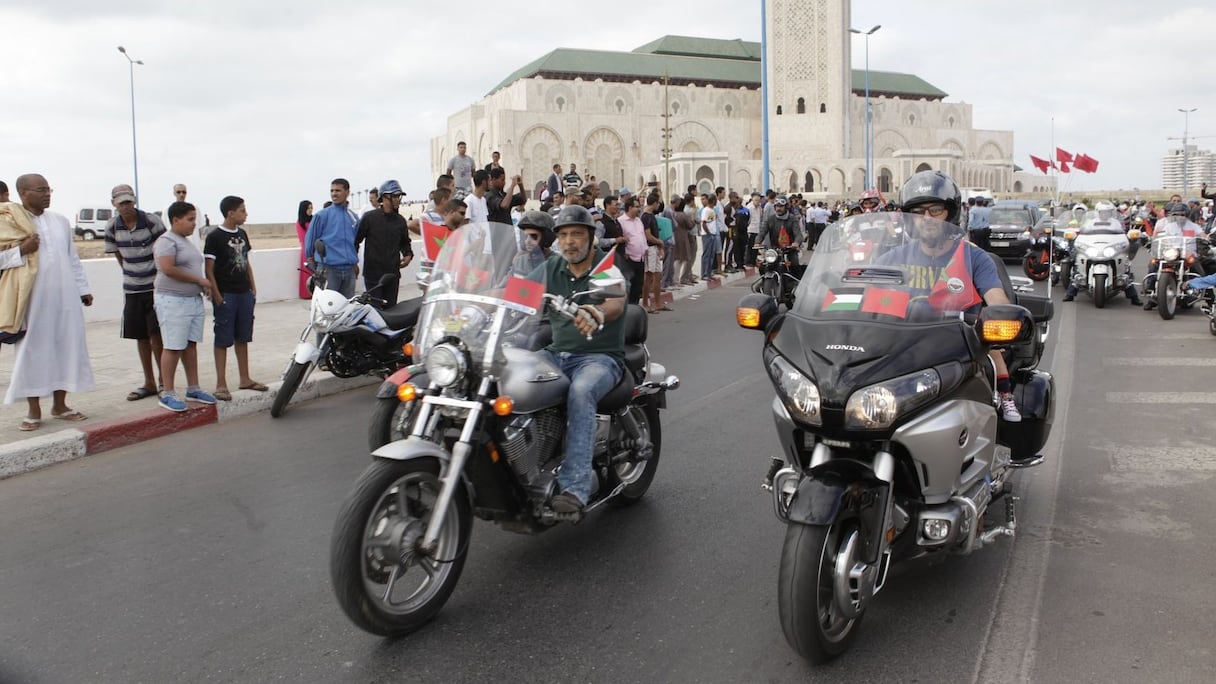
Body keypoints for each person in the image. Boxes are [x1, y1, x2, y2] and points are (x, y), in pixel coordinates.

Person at [876, 170, 1021, 422]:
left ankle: (1006, 396)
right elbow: (868, 287)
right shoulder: (895, 257)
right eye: (919, 212)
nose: (927, 218)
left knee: (993, 351)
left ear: (950, 213)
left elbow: (996, 295)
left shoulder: (973, 257)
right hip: (905, 345)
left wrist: (1002, 314)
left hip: (960, 345)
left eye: (935, 210)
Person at [540, 205, 628, 514]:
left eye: (576, 234)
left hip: (599, 357)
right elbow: (515, 293)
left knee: (580, 392)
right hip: (555, 354)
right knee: (507, 376)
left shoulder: (604, 267)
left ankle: (575, 489)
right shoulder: (552, 267)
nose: (569, 242)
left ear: (591, 237)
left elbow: (616, 302)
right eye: (562, 235)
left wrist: (599, 310)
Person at [2, 174, 95, 430]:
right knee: (33, 351)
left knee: (66, 347)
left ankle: (60, 405)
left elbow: (71, 258)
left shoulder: (60, 221)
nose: (47, 194)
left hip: (65, 298)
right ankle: (33, 410)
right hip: (32, 301)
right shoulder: (11, 223)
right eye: (41, 190)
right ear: (23, 193)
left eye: (48, 189)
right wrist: (22, 249)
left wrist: (82, 288)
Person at [104, 183, 167, 401]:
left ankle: (163, 381)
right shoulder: (112, 227)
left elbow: (164, 248)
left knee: (156, 335)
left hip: (154, 287)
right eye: (121, 203)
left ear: (134, 200)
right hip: (132, 289)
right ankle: (149, 382)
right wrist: (133, 274)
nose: (126, 206)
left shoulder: (151, 221)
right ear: (114, 204)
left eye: (129, 201)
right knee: (140, 336)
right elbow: (119, 256)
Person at [153, 201, 218, 412]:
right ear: (175, 220)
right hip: (173, 301)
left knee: (190, 345)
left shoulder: (186, 241)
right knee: (173, 346)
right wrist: (199, 281)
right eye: (190, 220)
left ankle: (193, 387)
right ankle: (167, 392)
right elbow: (168, 268)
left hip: (191, 300)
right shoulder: (166, 241)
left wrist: (200, 285)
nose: (193, 224)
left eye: (194, 219)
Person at [204, 195, 265, 401]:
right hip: (226, 293)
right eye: (242, 210)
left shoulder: (243, 234)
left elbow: (246, 262)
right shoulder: (214, 237)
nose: (245, 214)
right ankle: (221, 383)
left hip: (244, 293)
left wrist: (253, 288)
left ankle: (245, 377)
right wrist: (218, 295)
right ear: (231, 213)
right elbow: (209, 269)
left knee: (243, 336)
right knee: (222, 338)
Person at [354, 180, 413, 307]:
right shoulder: (369, 218)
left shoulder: (400, 221)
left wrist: (408, 255)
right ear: (385, 198)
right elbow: (356, 241)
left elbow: (405, 243)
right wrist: (353, 263)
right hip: (373, 275)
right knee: (375, 312)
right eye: (395, 196)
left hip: (392, 275)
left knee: (391, 312)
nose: (398, 199)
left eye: (399, 196)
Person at [304, 178, 360, 297]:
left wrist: (354, 263)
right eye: (332, 190)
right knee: (326, 311)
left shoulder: (354, 217)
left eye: (338, 190)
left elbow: (355, 243)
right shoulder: (321, 215)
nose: (334, 194)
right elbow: (310, 243)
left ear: (347, 192)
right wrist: (317, 268)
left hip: (349, 271)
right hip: (328, 271)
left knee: (346, 309)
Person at [755, 195, 804, 276]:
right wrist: (758, 241)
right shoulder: (770, 219)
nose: (779, 208)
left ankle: (797, 284)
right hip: (774, 250)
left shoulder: (792, 219)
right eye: (777, 206)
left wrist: (796, 242)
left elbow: (798, 234)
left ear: (786, 206)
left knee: (795, 264)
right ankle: (763, 282)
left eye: (781, 206)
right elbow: (762, 232)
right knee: (763, 266)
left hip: (789, 249)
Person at [640, 193, 667, 313]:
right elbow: (647, 235)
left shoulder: (652, 215)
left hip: (655, 248)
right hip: (650, 248)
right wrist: (659, 241)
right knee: (648, 276)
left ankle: (658, 303)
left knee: (657, 275)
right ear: (655, 203)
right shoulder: (645, 216)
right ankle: (646, 303)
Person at [295, 200, 313, 299]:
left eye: (311, 208)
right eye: (308, 208)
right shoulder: (300, 223)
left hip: (316, 249)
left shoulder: (314, 219)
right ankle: (306, 293)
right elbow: (303, 238)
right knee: (307, 271)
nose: (310, 210)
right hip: (306, 249)